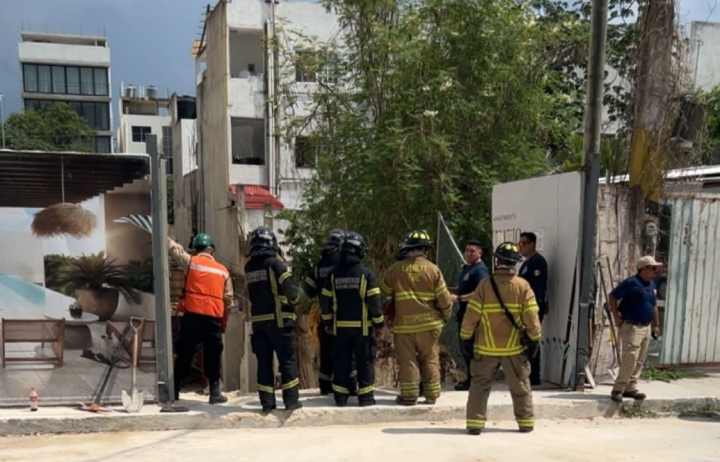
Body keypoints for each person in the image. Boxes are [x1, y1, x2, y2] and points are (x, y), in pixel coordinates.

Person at [461, 242, 541, 435]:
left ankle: (475, 424)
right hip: (514, 349)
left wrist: (465, 338)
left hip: (485, 349)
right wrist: (534, 339)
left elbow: (471, 316)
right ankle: (525, 423)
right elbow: (532, 318)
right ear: (515, 263)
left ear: (497, 261)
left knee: (479, 387)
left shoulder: (484, 286)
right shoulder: (523, 286)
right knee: (521, 386)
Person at [381, 230, 454, 406]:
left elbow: (384, 293)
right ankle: (431, 395)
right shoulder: (433, 269)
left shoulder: (394, 269)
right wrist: (445, 316)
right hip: (430, 326)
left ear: (407, 248)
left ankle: (409, 396)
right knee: (430, 358)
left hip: (403, 327)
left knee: (408, 361)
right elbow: (444, 299)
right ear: (425, 249)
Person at [320, 231, 384, 407]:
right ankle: (366, 398)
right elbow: (374, 303)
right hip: (362, 329)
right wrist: (379, 323)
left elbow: (325, 301)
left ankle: (340, 398)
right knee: (364, 363)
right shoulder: (366, 274)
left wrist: (327, 321)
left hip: (340, 328)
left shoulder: (332, 274)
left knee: (341, 361)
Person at [169, 232, 233, 404]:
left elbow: (175, 250)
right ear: (212, 250)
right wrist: (223, 323)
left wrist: (165, 236)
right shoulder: (223, 270)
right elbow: (228, 300)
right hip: (213, 320)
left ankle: (173, 391)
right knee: (213, 356)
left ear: (196, 249)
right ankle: (214, 393)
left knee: (185, 354)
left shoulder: (191, 262)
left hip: (192, 318)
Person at [244, 227, 302, 412]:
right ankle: (291, 401)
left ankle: (267, 403)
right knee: (287, 361)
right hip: (280, 322)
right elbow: (292, 293)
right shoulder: (276, 265)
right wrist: (297, 300)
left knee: (263, 363)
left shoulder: (249, 267)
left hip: (259, 323)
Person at [608, 255, 663, 403]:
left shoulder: (651, 284)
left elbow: (653, 305)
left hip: (646, 326)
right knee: (629, 359)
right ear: (643, 269)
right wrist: (616, 317)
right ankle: (618, 389)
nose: (655, 271)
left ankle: (630, 388)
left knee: (640, 360)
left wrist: (656, 325)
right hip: (632, 326)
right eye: (653, 268)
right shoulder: (631, 283)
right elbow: (612, 297)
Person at [303, 229, 345, 395]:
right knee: (344, 351)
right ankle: (343, 386)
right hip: (343, 316)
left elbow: (308, 290)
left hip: (323, 315)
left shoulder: (319, 265)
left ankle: (325, 385)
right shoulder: (343, 263)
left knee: (326, 352)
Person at [452, 240, 489, 391]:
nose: (468, 253)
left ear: (480, 253)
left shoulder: (480, 270)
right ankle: (470, 379)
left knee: (471, 349)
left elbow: (481, 292)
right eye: (466, 250)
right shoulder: (468, 268)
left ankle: (474, 381)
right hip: (464, 314)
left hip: (474, 316)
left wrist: (459, 298)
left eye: (472, 251)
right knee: (466, 349)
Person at [518, 232, 548, 387]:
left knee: (533, 341)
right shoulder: (526, 263)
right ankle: (527, 374)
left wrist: (533, 311)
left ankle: (534, 376)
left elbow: (537, 290)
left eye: (523, 243)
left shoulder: (538, 262)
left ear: (531, 244)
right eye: (519, 243)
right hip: (524, 309)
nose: (520, 246)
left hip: (533, 309)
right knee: (525, 342)